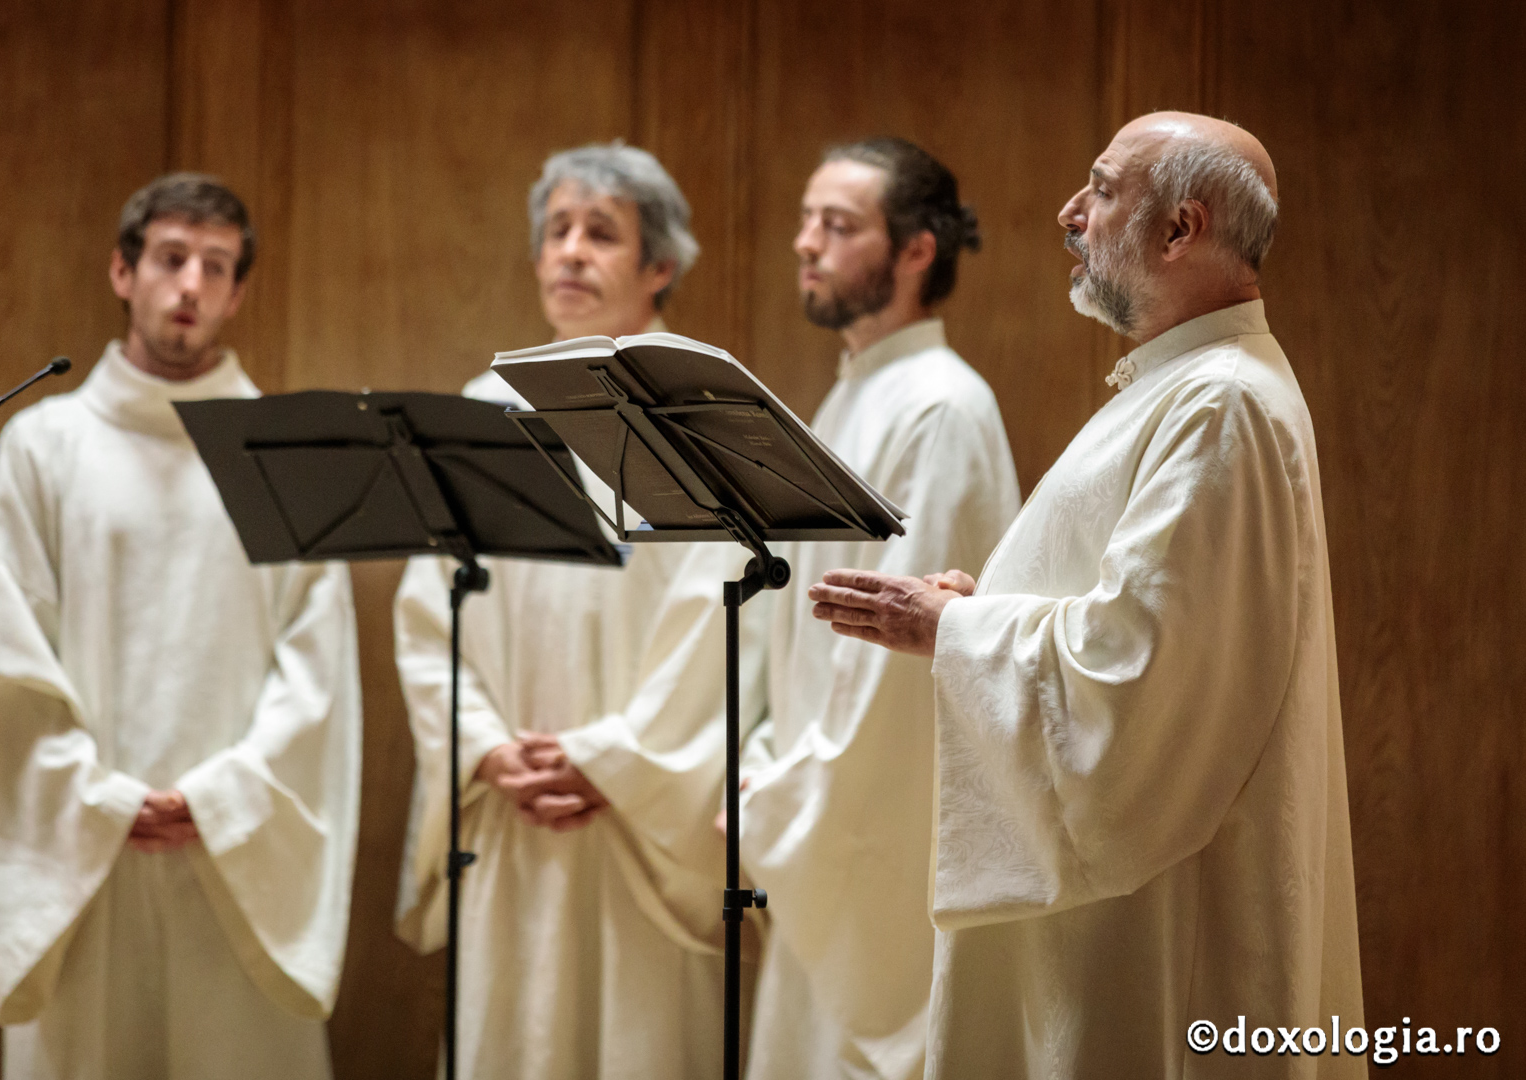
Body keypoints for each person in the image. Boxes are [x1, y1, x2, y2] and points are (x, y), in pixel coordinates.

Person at [808, 113, 1366, 1078]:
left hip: (1154, 932)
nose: (1070, 213)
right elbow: (1146, 619)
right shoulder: (1179, 386)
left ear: (1179, 228)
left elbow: (1143, 680)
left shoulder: (1220, 402)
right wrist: (984, 607)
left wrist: (961, 629)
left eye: (1102, 190)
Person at [0, 173, 362, 1080]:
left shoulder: (284, 454)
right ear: (121, 272)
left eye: (216, 267)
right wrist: (95, 800)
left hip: (238, 863)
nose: (191, 287)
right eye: (171, 259)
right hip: (82, 863)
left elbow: (318, 668)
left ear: (239, 292)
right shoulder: (44, 446)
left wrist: (224, 798)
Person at [394, 142, 758, 1080]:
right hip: (514, 815)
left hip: (635, 830)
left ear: (660, 266)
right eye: (556, 231)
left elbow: (716, 627)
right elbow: (431, 619)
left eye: (601, 233)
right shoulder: (482, 411)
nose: (569, 251)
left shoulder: (697, 415)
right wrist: (483, 747)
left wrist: (614, 761)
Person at [738, 137, 1020, 1080]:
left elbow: (893, 657)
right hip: (814, 798)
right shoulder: (852, 397)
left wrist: (771, 802)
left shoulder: (940, 407)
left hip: (870, 832)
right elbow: (796, 633)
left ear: (915, 252)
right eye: (807, 219)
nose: (804, 243)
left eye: (838, 224)